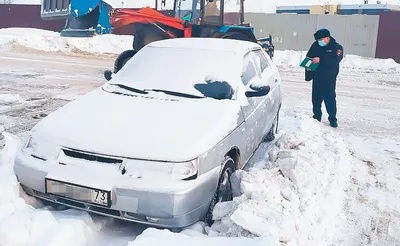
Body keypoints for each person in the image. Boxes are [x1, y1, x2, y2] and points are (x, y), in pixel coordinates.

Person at [305, 28, 343, 128]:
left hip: (329, 78)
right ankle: (317, 116)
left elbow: (335, 60)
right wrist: (308, 66)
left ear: (327, 37)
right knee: (316, 99)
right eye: (318, 40)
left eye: (321, 39)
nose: (319, 42)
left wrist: (320, 60)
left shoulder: (336, 47)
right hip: (317, 76)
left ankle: (332, 119)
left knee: (329, 99)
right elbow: (309, 56)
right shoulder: (315, 45)